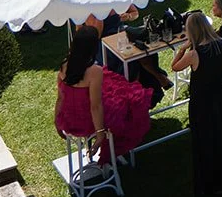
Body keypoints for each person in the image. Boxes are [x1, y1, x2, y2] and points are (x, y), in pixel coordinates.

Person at [55, 26, 154, 163]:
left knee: (121, 96)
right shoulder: (94, 71)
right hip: (86, 119)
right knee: (131, 104)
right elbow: (95, 106)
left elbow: (60, 97)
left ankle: (115, 149)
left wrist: (57, 122)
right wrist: (100, 134)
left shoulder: (64, 64)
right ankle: (117, 150)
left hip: (69, 116)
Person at [171, 12, 222, 197]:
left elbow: (174, 67)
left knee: (205, 139)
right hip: (220, 94)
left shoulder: (194, 54)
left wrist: (183, 48)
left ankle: (210, 181)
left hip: (202, 100)